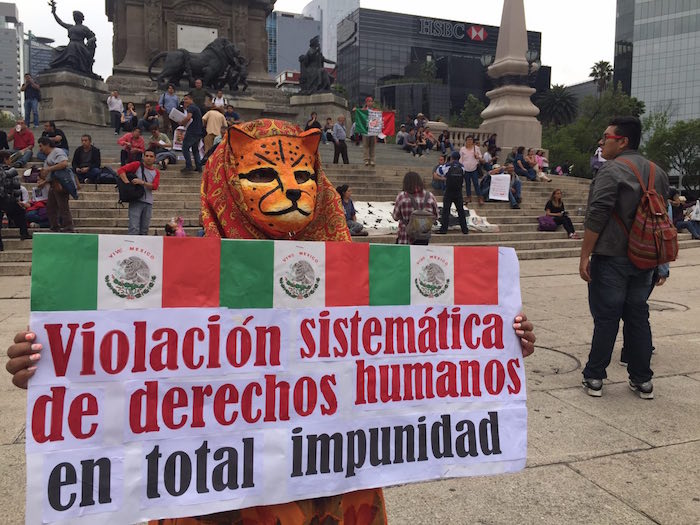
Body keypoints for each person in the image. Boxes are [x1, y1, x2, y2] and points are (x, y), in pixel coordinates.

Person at [6, 118, 537, 525]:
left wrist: (501, 338)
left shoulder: (356, 272)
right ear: (224, 179)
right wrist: (50, 359)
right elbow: (114, 365)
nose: (290, 189)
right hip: (219, 489)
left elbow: (431, 342)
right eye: (262, 171)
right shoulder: (174, 278)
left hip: (329, 480)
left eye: (304, 173)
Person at [579, 116, 670, 399]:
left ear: (623, 141)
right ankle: (642, 380)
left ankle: (595, 376)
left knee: (607, 317)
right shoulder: (658, 172)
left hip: (613, 255)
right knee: (638, 315)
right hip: (646, 256)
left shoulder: (611, 171)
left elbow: (598, 214)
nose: (602, 142)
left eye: (606, 137)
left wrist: (585, 255)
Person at [117, 148, 160, 235]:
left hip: (148, 202)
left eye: (151, 156)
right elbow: (121, 170)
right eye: (146, 156)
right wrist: (127, 183)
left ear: (155, 158)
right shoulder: (137, 165)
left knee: (144, 229)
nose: (148, 158)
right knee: (134, 228)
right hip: (136, 200)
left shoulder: (156, 172)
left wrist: (142, 182)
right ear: (143, 157)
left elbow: (155, 186)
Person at [36, 136, 75, 232]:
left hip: (60, 184)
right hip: (53, 184)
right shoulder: (49, 156)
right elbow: (51, 174)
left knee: (63, 207)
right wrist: (44, 182)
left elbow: (64, 164)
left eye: (41, 146)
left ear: (47, 144)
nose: (40, 148)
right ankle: (54, 227)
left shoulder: (57, 152)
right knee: (51, 208)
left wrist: (48, 169)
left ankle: (68, 227)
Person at [392, 171, 439, 244]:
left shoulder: (402, 196)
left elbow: (395, 217)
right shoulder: (430, 196)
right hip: (423, 238)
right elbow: (436, 216)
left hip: (405, 237)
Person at [0, 154, 31, 251]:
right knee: (20, 212)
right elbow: (16, 187)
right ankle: (24, 233)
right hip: (7, 199)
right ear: (5, 159)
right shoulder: (11, 170)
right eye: (9, 158)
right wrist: (17, 200)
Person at [436, 151, 469, 236]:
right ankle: (465, 229)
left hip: (449, 190)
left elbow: (439, 171)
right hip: (458, 191)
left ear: (451, 158)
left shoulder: (447, 166)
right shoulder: (462, 167)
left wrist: (441, 165)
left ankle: (444, 229)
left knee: (446, 210)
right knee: (460, 210)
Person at [180, 93, 204, 173]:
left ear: (191, 99)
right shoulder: (196, 108)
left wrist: (182, 122)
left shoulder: (191, 107)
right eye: (184, 100)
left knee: (185, 147)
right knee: (195, 149)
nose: (185, 101)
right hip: (198, 131)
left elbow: (188, 117)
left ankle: (189, 165)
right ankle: (199, 166)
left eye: (186, 99)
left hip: (192, 131)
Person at [459, 135, 483, 204]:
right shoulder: (462, 149)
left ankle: (480, 197)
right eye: (468, 139)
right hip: (465, 169)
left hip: (474, 168)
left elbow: (481, 157)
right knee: (467, 183)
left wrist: (477, 156)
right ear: (466, 141)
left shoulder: (476, 148)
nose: (469, 141)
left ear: (473, 141)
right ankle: (468, 197)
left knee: (476, 183)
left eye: (471, 139)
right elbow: (461, 159)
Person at [361, 97, 376, 166]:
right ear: (366, 102)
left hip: (373, 130)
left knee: (372, 146)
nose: (370, 103)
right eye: (369, 101)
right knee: (366, 145)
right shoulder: (363, 110)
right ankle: (366, 160)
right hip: (365, 130)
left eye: (371, 101)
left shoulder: (375, 111)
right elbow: (359, 117)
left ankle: (372, 159)